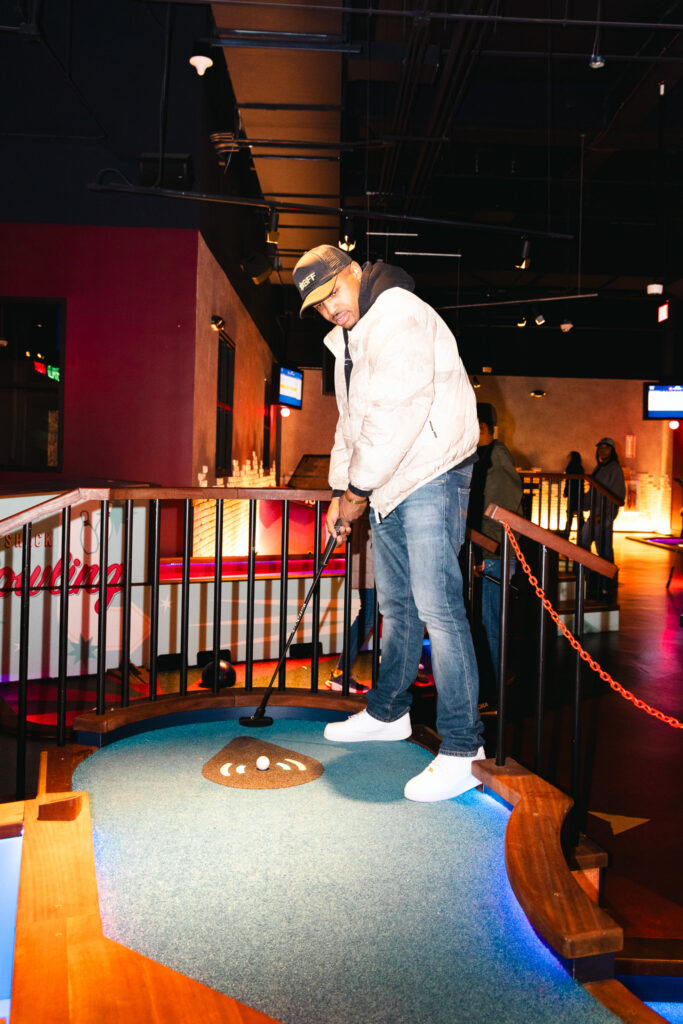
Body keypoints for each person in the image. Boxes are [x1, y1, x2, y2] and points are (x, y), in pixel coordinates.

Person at [292, 244, 484, 802]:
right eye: (318, 305)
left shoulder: (398, 311)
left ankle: (463, 748)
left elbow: (397, 413)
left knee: (438, 609)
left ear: (353, 271)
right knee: (396, 606)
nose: (330, 309)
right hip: (388, 483)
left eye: (333, 292)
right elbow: (351, 425)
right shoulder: (347, 339)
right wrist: (341, 491)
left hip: (431, 473)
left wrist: (357, 492)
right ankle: (389, 712)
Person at [466, 403, 523, 693]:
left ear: (482, 426)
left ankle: (495, 688)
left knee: (491, 625)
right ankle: (493, 682)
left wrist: (485, 550)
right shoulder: (482, 455)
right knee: (487, 623)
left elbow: (499, 511)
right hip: (487, 552)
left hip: (493, 553)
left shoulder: (496, 456)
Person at [325, 510, 373, 695]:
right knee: (369, 615)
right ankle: (341, 673)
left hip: (370, 556)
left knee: (370, 614)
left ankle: (341, 672)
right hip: (371, 557)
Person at [580, 437, 626, 596]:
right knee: (600, 547)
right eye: (600, 447)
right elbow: (593, 490)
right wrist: (583, 504)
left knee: (599, 548)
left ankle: (603, 581)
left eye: (606, 447)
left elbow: (617, 495)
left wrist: (604, 515)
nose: (602, 450)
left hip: (603, 514)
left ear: (612, 451)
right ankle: (600, 580)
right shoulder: (599, 467)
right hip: (596, 513)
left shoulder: (615, 469)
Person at [562, 451, 585, 537]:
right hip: (579, 494)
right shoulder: (580, 468)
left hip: (572, 494)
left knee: (569, 515)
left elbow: (568, 481)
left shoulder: (570, 467)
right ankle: (582, 534)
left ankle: (567, 533)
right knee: (580, 515)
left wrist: (566, 492)